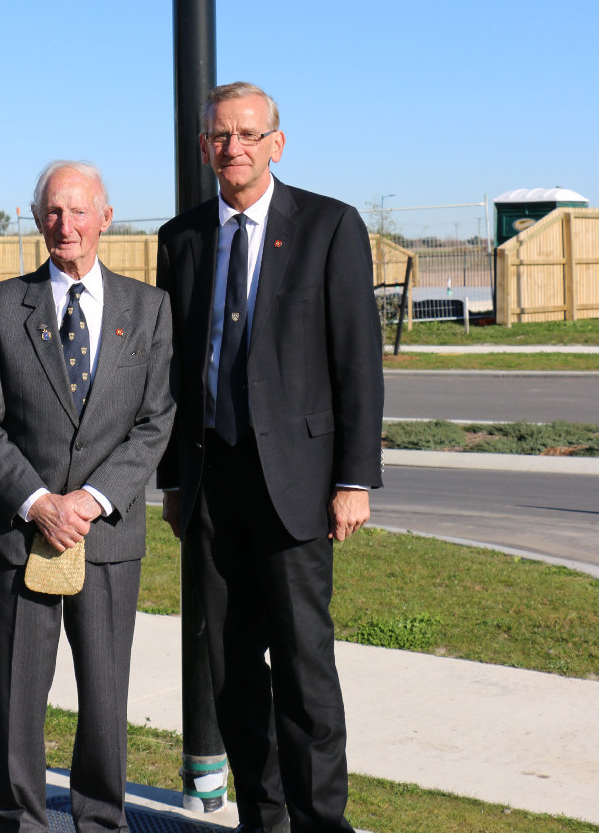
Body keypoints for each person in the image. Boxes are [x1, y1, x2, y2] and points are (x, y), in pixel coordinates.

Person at [157, 82, 384, 833]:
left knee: (302, 667)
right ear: (204, 147)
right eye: (221, 136)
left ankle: (322, 821)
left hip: (296, 484)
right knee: (229, 670)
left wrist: (352, 478)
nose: (235, 148)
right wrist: (170, 480)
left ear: (276, 143)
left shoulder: (327, 226)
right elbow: (175, 370)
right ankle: (264, 817)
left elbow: (357, 361)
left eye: (249, 135)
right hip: (211, 485)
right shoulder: (180, 237)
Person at [0, 160, 174, 833]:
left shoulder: (149, 308)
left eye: (80, 210)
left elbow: (154, 420)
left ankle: (100, 819)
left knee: (105, 694)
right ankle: (21, 818)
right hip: (21, 531)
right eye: (54, 210)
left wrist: (89, 498)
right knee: (19, 692)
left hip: (106, 535)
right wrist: (38, 501)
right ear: (35, 217)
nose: (66, 224)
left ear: (105, 218)